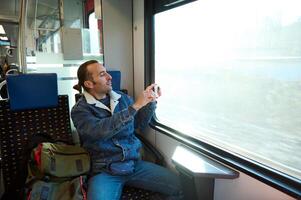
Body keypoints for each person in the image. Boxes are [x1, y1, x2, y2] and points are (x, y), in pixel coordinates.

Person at [71, 60, 183, 200]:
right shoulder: (80, 110)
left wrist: (150, 102)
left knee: (182, 186)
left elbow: (137, 123)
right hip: (105, 171)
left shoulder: (122, 98)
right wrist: (135, 106)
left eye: (107, 72)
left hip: (134, 165)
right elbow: (99, 131)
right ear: (89, 84)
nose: (109, 77)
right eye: (102, 74)